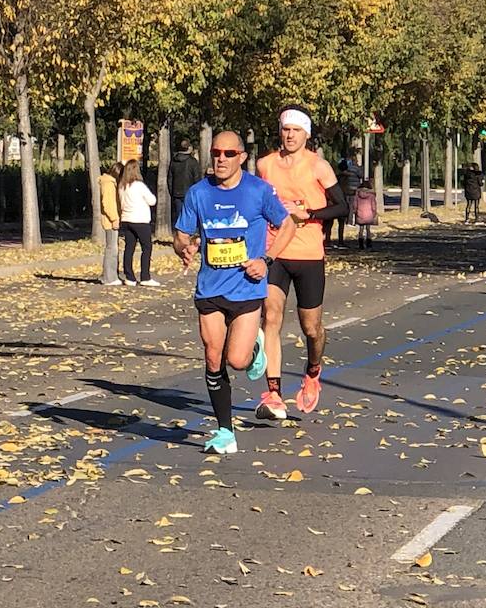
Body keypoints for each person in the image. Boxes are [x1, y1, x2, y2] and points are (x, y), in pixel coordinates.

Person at [175, 131, 297, 454]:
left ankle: (255, 350)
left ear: (242, 157)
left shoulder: (258, 191)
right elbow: (181, 234)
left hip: (247, 289)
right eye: (216, 152)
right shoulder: (198, 193)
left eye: (229, 153)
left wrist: (266, 261)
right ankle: (224, 432)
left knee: (237, 360)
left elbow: (287, 226)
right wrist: (184, 248)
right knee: (213, 357)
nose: (221, 159)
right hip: (210, 288)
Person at [254, 106, 347, 420]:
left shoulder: (319, 167)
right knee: (271, 315)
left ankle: (313, 372)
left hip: (308, 254)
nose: (290, 135)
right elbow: (255, 202)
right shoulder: (265, 165)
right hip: (275, 251)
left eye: (296, 130)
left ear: (306, 134)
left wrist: (310, 214)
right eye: (286, 129)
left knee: (311, 327)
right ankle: (274, 394)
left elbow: (342, 207)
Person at [118, 159, 159, 287]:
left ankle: (129, 276)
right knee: (146, 248)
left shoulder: (122, 186)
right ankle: (145, 276)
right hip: (140, 220)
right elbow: (152, 200)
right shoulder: (139, 185)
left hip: (127, 219)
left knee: (129, 248)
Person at [168, 138, 201, 229]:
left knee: (179, 218)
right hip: (190, 193)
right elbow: (197, 179)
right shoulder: (193, 162)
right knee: (191, 216)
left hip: (177, 193)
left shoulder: (173, 161)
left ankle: (180, 237)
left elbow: (170, 179)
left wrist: (173, 192)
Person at [335, 150, 364, 245]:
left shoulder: (338, 176)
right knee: (352, 206)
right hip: (353, 190)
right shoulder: (356, 170)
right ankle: (351, 220)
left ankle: (330, 239)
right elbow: (361, 175)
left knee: (337, 220)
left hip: (341, 195)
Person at [100, 162, 120, 284]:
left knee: (112, 247)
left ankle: (109, 275)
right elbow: (107, 204)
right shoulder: (108, 184)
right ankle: (109, 277)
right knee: (112, 248)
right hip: (110, 220)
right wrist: (114, 218)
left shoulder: (108, 182)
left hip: (111, 219)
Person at [354, 179, 377, 246]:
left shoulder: (357, 195)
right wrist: (374, 213)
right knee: (368, 228)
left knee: (361, 229)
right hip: (369, 214)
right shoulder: (371, 195)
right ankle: (369, 242)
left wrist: (355, 211)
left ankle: (360, 242)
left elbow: (355, 204)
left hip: (360, 213)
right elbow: (373, 206)